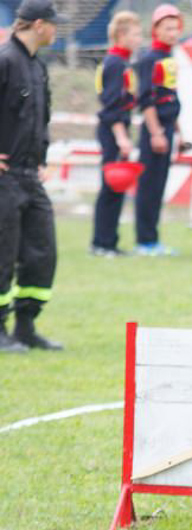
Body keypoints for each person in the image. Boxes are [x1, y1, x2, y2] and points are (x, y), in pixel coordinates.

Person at [0, 0, 67, 353]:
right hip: (4, 177)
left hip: (29, 175)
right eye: (54, 24)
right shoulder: (5, 61)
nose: (57, 31)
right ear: (39, 24)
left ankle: (26, 326)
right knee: (3, 252)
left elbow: (39, 118)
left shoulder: (37, 66)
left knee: (42, 251)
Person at [90, 11, 142, 257]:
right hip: (112, 131)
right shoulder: (114, 63)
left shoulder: (122, 62)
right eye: (135, 34)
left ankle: (110, 241)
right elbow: (111, 106)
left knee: (118, 187)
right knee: (111, 185)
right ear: (121, 35)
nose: (139, 39)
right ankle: (101, 242)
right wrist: (121, 137)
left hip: (119, 129)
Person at [135, 3, 183, 256]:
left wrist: (178, 131)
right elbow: (147, 100)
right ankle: (144, 241)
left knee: (159, 186)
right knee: (148, 186)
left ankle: (153, 239)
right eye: (167, 28)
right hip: (155, 132)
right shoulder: (149, 59)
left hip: (167, 129)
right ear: (156, 29)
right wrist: (156, 133)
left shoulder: (168, 58)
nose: (173, 33)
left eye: (176, 28)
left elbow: (170, 97)